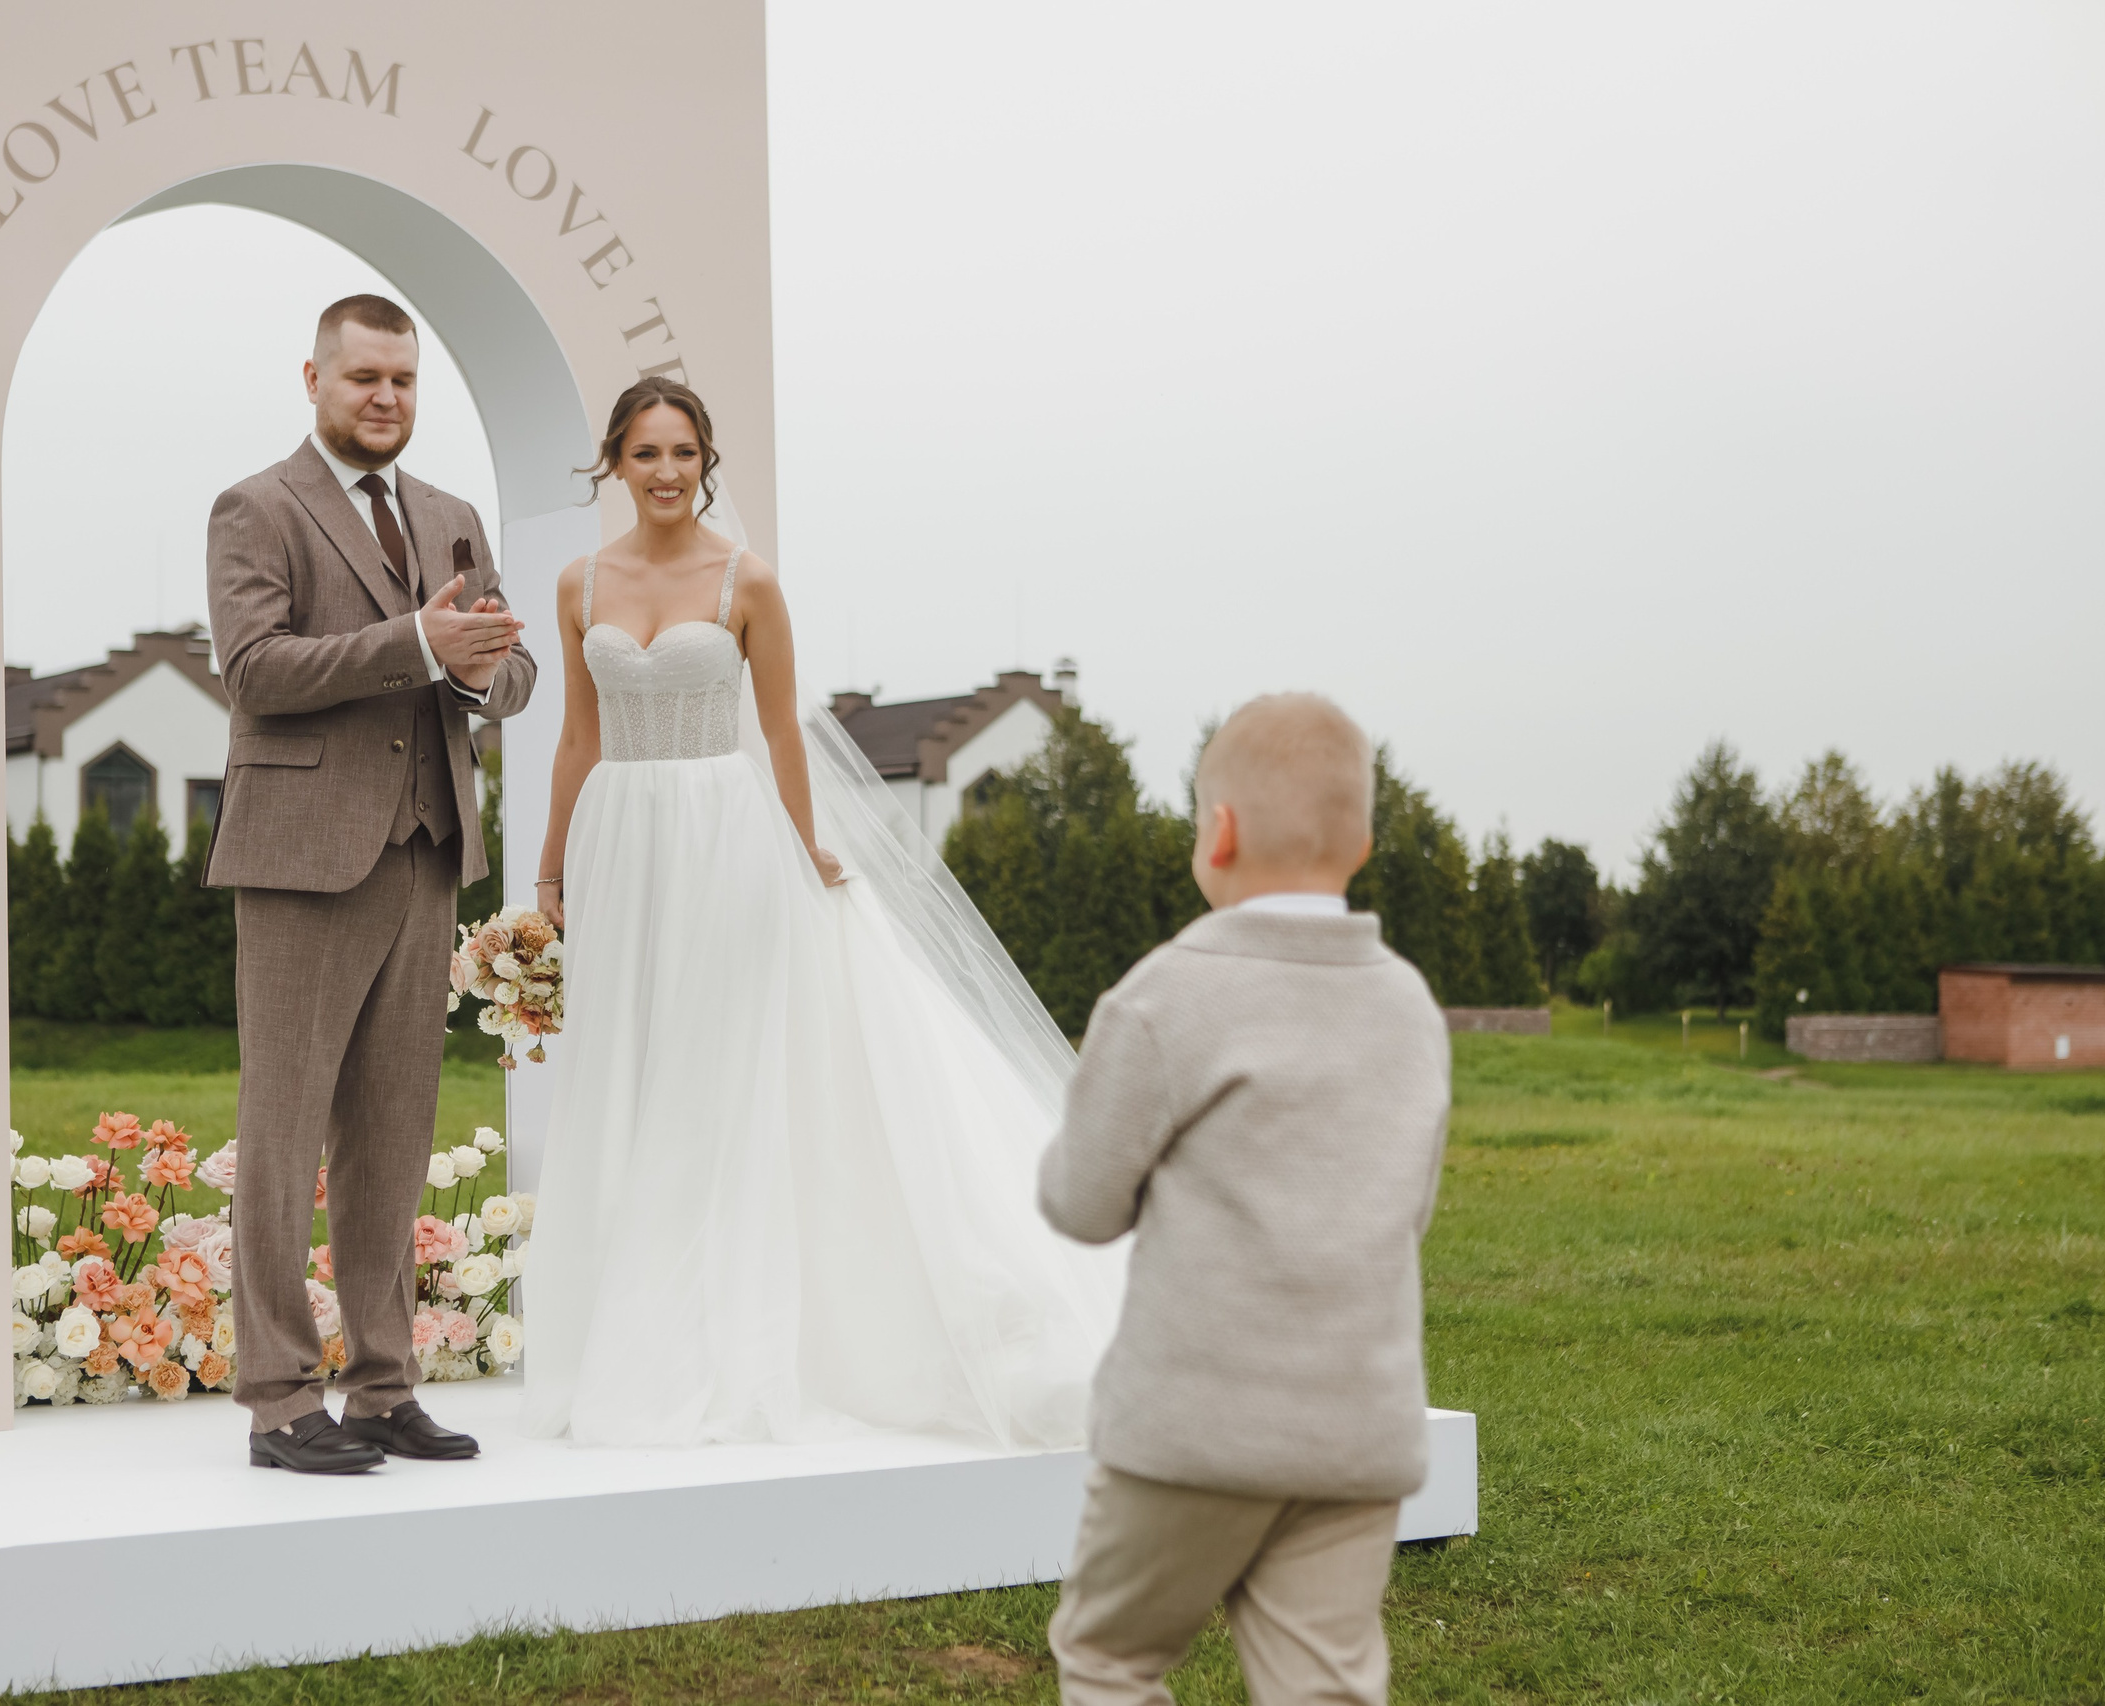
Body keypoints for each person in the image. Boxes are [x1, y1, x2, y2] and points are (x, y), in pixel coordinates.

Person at [518, 377, 1120, 1448]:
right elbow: (576, 735)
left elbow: (785, 734)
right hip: (619, 838)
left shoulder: (746, 580)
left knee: (710, 1075)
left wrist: (803, 847)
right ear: (614, 460)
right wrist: (552, 870)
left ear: (708, 461)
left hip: (721, 834)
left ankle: (710, 1337)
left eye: (684, 452)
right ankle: (617, 1326)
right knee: (627, 1066)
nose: (666, 472)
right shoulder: (577, 584)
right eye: (646, 452)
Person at [1037, 693, 1450, 1706]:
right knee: (1325, 1687)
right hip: (1352, 1434)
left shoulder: (1163, 995)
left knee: (1110, 1657)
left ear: (1216, 833)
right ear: (1359, 840)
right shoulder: (1409, 1006)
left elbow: (1081, 1203)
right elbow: (1409, 1205)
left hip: (1191, 1430)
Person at [203, 294, 536, 1473]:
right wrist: (416, 645)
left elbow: (507, 669)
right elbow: (253, 670)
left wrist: (491, 673)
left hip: (427, 847)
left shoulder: (449, 514)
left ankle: (383, 1386)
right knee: (283, 1132)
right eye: (363, 379)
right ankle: (277, 1400)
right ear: (313, 378)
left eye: (401, 379)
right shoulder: (257, 507)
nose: (385, 397)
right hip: (300, 855)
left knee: (394, 1136)